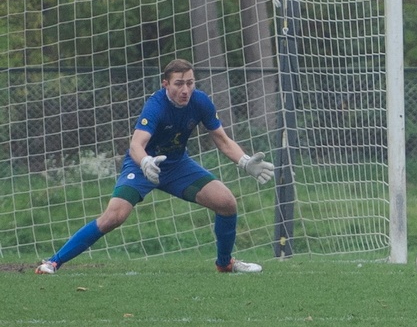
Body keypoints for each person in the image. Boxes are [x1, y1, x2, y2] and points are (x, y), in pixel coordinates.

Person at [36, 58, 275, 275]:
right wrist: (145, 162)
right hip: (143, 166)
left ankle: (225, 264)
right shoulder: (156, 106)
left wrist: (244, 161)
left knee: (227, 203)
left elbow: (221, 139)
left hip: (177, 166)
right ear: (165, 84)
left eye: (190, 83)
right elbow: (136, 145)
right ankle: (53, 262)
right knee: (113, 217)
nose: (185, 90)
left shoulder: (200, 101)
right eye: (179, 84)